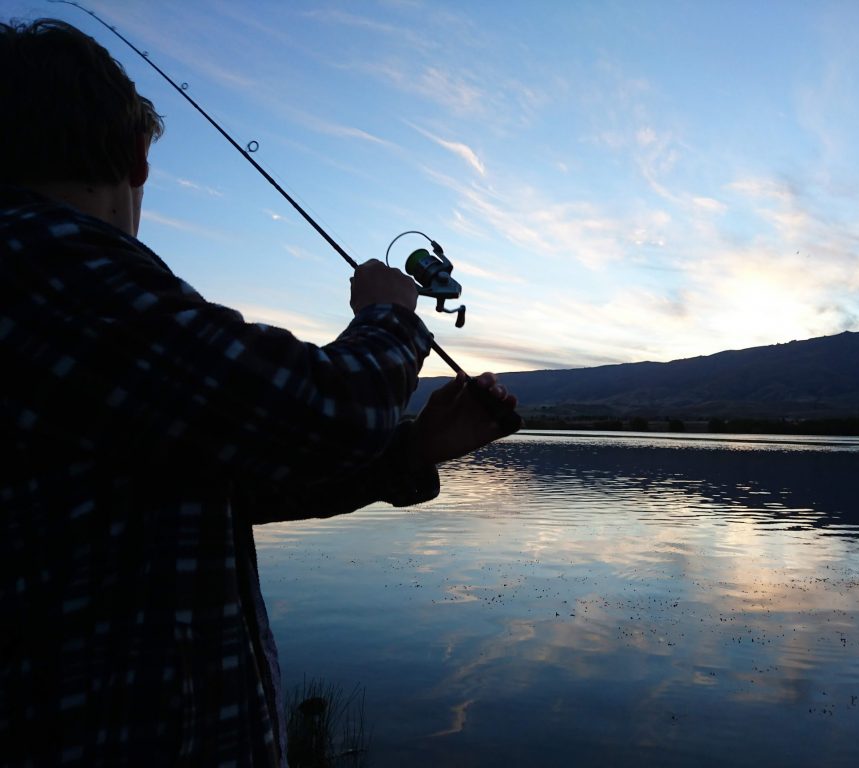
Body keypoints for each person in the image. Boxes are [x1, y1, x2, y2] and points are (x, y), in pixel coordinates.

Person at [0, 18, 519, 766]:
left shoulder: (56, 298)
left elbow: (224, 487)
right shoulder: (44, 263)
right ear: (136, 161)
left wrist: (413, 447)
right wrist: (387, 316)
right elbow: (324, 410)